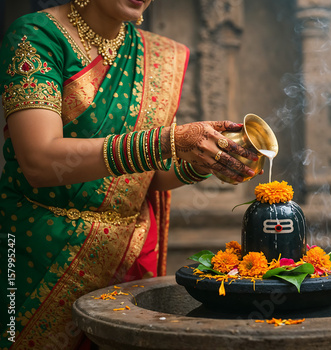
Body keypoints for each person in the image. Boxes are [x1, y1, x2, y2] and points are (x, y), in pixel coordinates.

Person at [0, 0, 259, 348]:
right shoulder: (36, 36)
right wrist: (167, 141)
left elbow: (146, 179)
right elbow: (38, 161)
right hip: (41, 254)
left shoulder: (157, 57)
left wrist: (197, 163)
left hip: (129, 258)